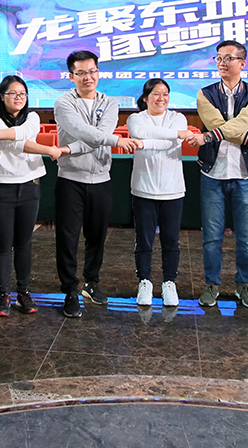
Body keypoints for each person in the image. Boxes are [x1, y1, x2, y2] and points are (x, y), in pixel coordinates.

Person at [54, 50, 141, 318]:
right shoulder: (64, 103)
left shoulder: (110, 103)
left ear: (98, 73)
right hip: (71, 179)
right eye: (80, 73)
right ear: (71, 76)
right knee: (68, 238)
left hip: (101, 179)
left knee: (97, 236)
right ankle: (70, 290)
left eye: (91, 71)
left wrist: (70, 149)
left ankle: (91, 283)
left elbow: (98, 136)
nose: (87, 77)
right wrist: (115, 141)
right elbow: (85, 133)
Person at [196, 40, 248, 310]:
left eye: (228, 58)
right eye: (219, 58)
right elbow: (216, 124)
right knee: (212, 238)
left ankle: (243, 285)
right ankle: (212, 285)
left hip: (246, 175)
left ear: (242, 63)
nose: (222, 63)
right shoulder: (205, 94)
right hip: (213, 173)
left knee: (246, 240)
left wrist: (214, 135)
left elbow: (242, 123)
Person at [0, 76, 63, 316]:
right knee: (3, 245)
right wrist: (47, 149)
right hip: (2, 188)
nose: (18, 98)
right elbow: (16, 144)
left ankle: (23, 293)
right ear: (2, 96)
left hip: (29, 187)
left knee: (24, 245)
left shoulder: (33, 117)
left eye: (22, 94)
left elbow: (25, 133)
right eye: (13, 93)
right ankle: (3, 295)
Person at [127, 78, 200, 308]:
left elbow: (169, 144)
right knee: (144, 240)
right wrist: (176, 134)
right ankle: (145, 282)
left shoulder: (178, 118)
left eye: (165, 94)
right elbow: (142, 132)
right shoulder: (136, 118)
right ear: (145, 98)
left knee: (171, 241)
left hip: (173, 190)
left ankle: (169, 283)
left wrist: (146, 143)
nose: (161, 98)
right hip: (143, 189)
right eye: (156, 94)